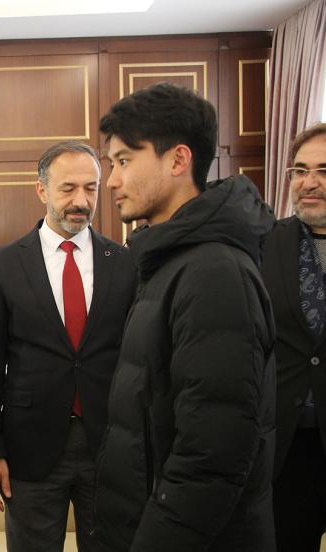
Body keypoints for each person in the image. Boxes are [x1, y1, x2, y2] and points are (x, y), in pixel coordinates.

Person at [94, 82, 276, 551]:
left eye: (123, 161)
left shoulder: (215, 272)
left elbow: (210, 457)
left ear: (178, 160)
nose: (111, 181)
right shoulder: (170, 262)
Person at [0, 141, 136, 552]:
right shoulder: (4, 264)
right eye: (68, 188)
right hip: (30, 450)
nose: (81, 201)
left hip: (110, 445)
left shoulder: (125, 262)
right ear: (41, 190)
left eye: (91, 188)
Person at [262, 122, 326, 551]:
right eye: (300, 170)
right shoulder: (264, 242)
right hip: (287, 446)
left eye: (323, 170)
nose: (309, 182)